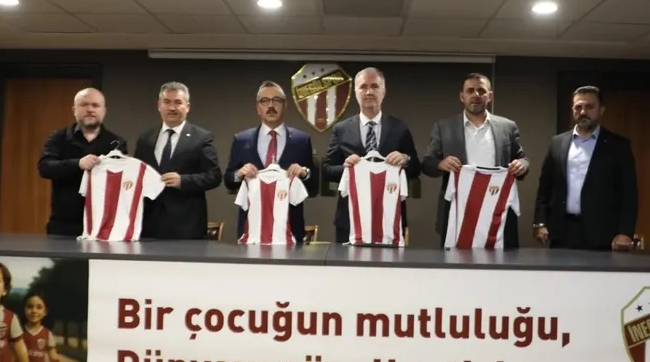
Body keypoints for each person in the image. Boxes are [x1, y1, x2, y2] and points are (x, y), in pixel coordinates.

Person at [421, 72, 529, 249]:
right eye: (470, 90)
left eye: (481, 91)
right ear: (462, 96)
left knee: (501, 263)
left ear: (490, 96)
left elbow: (522, 158)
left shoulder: (507, 127)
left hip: (497, 209)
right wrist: (441, 164)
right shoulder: (444, 127)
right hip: (458, 211)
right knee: (455, 263)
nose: (476, 95)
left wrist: (522, 165)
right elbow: (427, 164)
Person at [533, 86, 638, 250]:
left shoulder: (618, 146)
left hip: (602, 234)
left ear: (601, 110)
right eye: (578, 107)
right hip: (562, 232)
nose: (583, 112)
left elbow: (629, 193)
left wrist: (625, 232)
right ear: (572, 110)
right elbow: (544, 189)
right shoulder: (557, 143)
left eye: (589, 107)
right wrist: (540, 222)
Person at [323, 67, 420, 243]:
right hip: (350, 219)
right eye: (363, 87)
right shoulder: (341, 129)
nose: (369, 92)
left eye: (374, 86)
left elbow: (415, 168)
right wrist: (346, 167)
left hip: (389, 217)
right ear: (355, 92)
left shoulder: (400, 127)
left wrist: (406, 159)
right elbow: (328, 170)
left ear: (383, 91)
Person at [224, 81, 318, 243]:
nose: (271, 105)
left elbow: (314, 186)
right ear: (258, 108)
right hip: (252, 231)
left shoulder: (302, 140)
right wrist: (239, 174)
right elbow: (228, 181)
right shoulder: (241, 140)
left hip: (290, 231)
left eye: (277, 100)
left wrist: (305, 173)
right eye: (264, 101)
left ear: (285, 105)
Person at [134, 82, 222, 239]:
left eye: (178, 103)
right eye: (167, 102)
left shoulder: (201, 138)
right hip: (149, 223)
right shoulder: (145, 138)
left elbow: (213, 176)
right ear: (159, 105)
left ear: (187, 107)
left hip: (186, 225)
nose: (172, 108)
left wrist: (183, 181)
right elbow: (137, 174)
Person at [37, 88, 127, 236]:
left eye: (95, 105)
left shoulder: (116, 142)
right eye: (84, 105)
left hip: (103, 226)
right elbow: (45, 167)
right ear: (74, 110)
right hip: (63, 225)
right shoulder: (58, 138)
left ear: (104, 111)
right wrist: (77, 164)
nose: (90, 109)